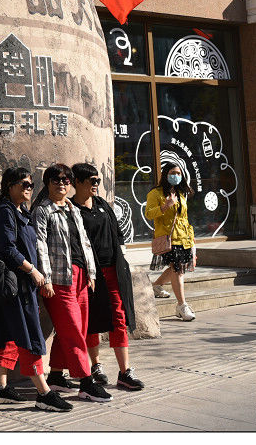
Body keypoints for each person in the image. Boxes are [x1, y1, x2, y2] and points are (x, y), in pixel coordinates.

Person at [0, 167, 73, 412]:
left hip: (15, 285)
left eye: (31, 185)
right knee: (29, 336)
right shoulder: (6, 211)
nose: (29, 188)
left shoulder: (20, 211)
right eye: (24, 184)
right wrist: (33, 271)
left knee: (7, 334)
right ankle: (44, 393)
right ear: (9, 186)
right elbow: (8, 248)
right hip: (17, 284)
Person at [31, 163, 112, 403]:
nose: (61, 184)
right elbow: (39, 245)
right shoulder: (43, 211)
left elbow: (84, 242)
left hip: (81, 276)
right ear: (47, 184)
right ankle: (86, 383)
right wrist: (45, 278)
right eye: (56, 180)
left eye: (66, 180)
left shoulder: (72, 209)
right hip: (59, 279)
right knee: (74, 330)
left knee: (77, 329)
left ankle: (56, 375)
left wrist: (91, 274)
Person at [71, 163, 144, 391]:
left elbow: (118, 234)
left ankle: (125, 371)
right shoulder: (72, 209)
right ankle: (96, 365)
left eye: (98, 181)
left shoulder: (102, 204)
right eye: (92, 181)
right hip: (89, 274)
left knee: (118, 318)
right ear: (78, 182)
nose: (96, 184)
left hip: (112, 270)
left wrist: (122, 258)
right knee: (91, 321)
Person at [147, 163, 197, 321]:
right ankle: (182, 305)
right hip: (168, 239)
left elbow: (185, 219)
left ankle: (156, 286)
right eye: (172, 173)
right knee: (178, 270)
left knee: (177, 268)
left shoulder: (181, 194)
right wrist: (165, 206)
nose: (176, 176)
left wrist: (192, 242)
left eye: (178, 173)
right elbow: (149, 213)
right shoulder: (155, 193)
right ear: (165, 174)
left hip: (184, 238)